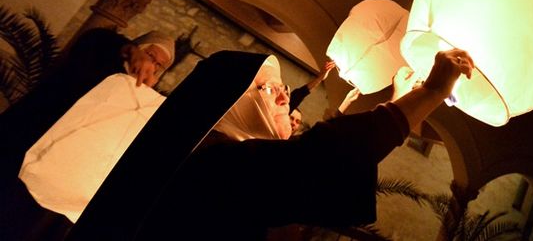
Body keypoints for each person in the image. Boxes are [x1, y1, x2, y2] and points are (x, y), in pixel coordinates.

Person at [130, 49, 474, 241]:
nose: (283, 92)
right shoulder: (213, 165)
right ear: (225, 104)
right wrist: (429, 93)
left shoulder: (218, 164)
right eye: (265, 88)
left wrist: (407, 101)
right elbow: (320, 157)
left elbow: (323, 168)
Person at [0, 27, 175, 241]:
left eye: (159, 65)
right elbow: (96, 38)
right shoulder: (100, 60)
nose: (152, 65)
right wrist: (129, 50)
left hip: (61, 178)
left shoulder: (143, 104)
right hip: (22, 144)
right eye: (150, 55)